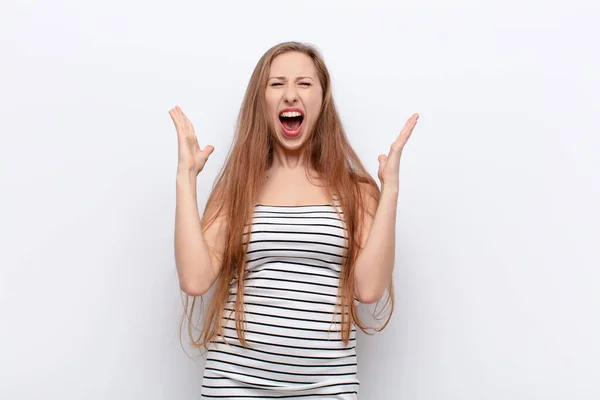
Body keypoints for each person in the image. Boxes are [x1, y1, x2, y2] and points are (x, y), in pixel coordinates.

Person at [168, 41, 418, 399]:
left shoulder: (355, 190)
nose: (290, 95)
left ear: (322, 98)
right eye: (276, 84)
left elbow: (369, 289)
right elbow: (195, 279)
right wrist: (185, 179)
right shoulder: (237, 188)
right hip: (235, 385)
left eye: (304, 83)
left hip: (329, 388)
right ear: (261, 100)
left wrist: (390, 188)